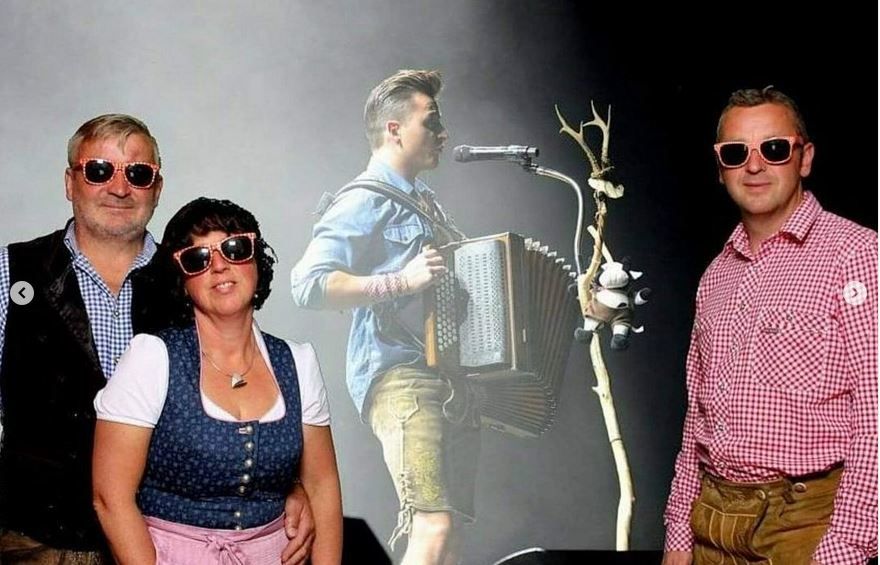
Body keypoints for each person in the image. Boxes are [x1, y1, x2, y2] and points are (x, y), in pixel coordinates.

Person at [0, 116, 314, 564]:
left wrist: (286, 484)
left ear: (158, 187)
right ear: (71, 181)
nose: (119, 187)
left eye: (138, 173)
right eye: (99, 170)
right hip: (37, 542)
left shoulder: (196, 278)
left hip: (162, 545)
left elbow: (249, 396)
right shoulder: (10, 273)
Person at [662, 87, 877, 564]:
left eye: (774, 148)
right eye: (736, 153)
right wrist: (678, 534)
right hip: (712, 520)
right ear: (721, 168)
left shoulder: (858, 255)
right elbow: (695, 421)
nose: (754, 166)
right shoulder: (716, 276)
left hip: (805, 524)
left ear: (804, 158)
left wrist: (844, 547)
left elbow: (877, 417)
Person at [291, 69, 479, 565]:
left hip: (447, 382)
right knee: (431, 524)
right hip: (402, 379)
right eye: (431, 121)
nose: (443, 134)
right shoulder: (366, 198)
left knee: (450, 534)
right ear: (394, 129)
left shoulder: (426, 203)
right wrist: (401, 280)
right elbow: (307, 284)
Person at [92, 197, 343, 564]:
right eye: (198, 259)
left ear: (257, 259)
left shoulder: (297, 361)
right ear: (182, 283)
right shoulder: (153, 357)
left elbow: (322, 486)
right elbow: (110, 497)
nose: (220, 266)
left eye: (235, 248)